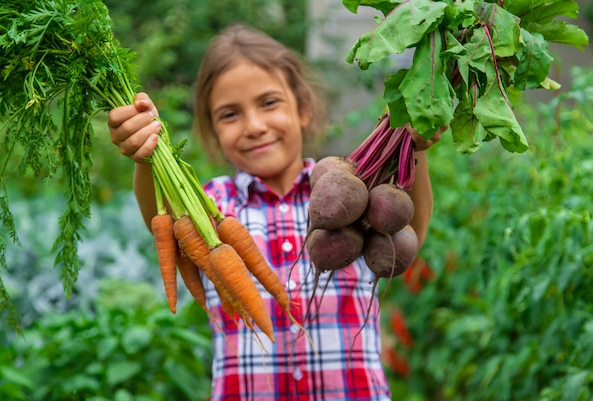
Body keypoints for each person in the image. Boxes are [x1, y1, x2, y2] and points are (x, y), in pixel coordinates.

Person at [108, 23, 443, 401]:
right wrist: (146, 150)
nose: (254, 126)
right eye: (230, 115)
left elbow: (406, 228)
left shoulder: (355, 195)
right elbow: (162, 213)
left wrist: (412, 146)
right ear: (213, 129)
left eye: (269, 103)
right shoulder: (212, 205)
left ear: (302, 108)